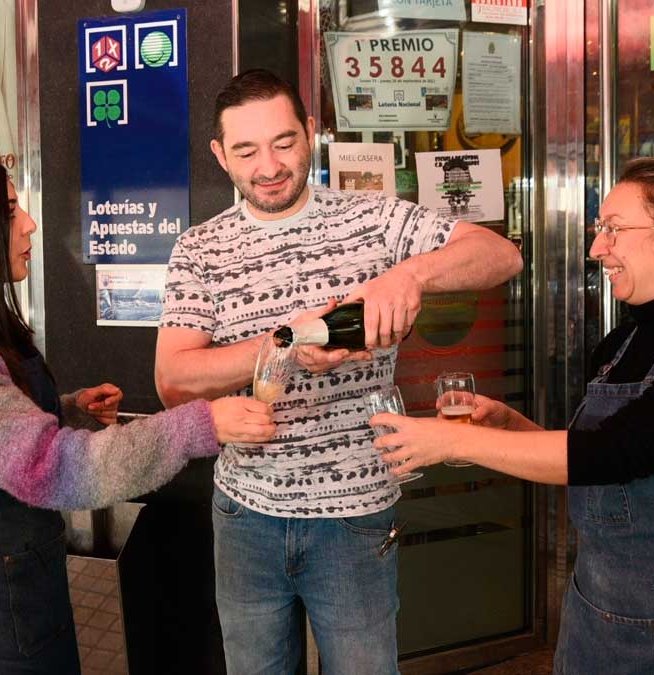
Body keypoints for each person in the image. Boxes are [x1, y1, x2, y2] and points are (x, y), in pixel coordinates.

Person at [154, 69, 523, 673]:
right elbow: (174, 381)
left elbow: (500, 254)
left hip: (355, 514)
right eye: (246, 150)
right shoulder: (200, 249)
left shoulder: (372, 218)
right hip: (245, 513)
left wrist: (409, 274)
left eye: (284, 142)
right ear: (221, 155)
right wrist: (287, 344)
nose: (268, 166)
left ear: (311, 132)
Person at [0, 153, 275, 674]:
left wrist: (66, 412)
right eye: (11, 210)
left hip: (15, 578)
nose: (29, 223)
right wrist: (202, 424)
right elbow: (51, 469)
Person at [371, 152, 654, 674]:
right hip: (595, 623)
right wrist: (509, 426)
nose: (596, 247)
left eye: (613, 230)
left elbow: (611, 453)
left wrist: (450, 441)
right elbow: (604, 472)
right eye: (598, 228)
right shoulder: (621, 342)